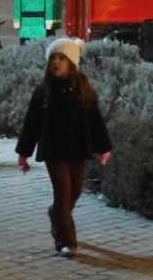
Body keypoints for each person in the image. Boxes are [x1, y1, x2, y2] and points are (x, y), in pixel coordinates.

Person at [15, 38, 113, 257]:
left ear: (72, 62)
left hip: (78, 149)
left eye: (62, 58)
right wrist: (23, 153)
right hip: (54, 151)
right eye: (53, 59)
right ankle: (66, 241)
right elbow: (31, 124)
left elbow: (95, 119)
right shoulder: (44, 91)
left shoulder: (83, 89)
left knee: (75, 192)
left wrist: (102, 147)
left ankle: (57, 216)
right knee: (62, 193)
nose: (56, 63)